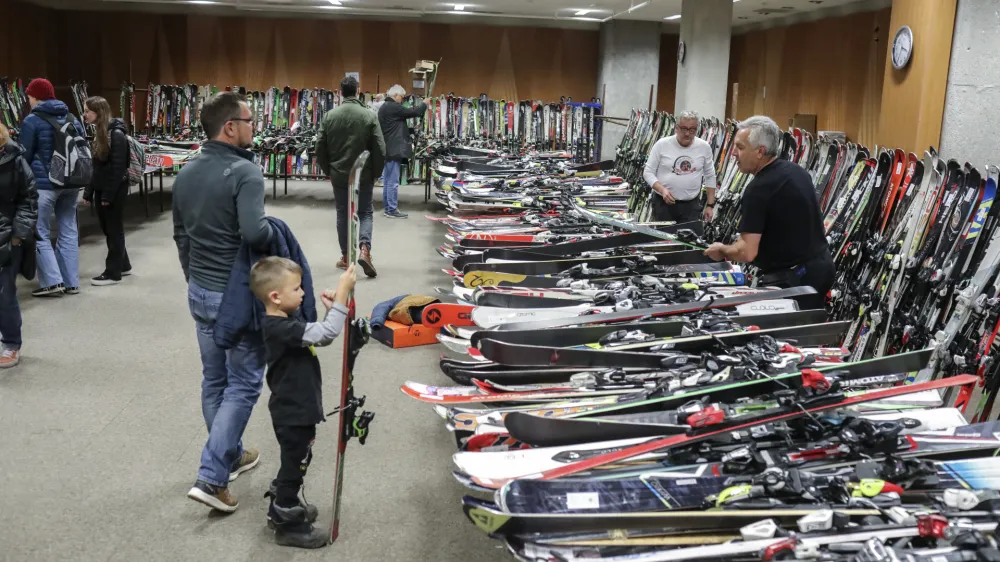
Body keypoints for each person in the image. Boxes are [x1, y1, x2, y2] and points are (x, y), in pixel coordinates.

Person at [173, 91, 273, 513]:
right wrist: (276, 232)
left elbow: (181, 237)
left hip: (199, 289)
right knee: (245, 383)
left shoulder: (186, 171)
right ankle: (212, 476)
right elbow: (255, 234)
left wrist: (194, 279)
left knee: (214, 379)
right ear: (230, 127)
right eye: (250, 121)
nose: (255, 128)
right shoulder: (246, 172)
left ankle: (230, 456)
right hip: (234, 295)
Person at [250, 257, 356, 548]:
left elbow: (320, 336)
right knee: (293, 466)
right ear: (275, 296)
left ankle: (285, 505)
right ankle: (287, 521)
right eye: (297, 288)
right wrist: (343, 295)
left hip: (297, 408)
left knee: (296, 461)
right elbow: (327, 333)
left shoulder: (285, 320)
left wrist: (330, 309)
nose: (303, 293)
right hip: (293, 412)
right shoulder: (279, 328)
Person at [704, 115, 834, 310]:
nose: (733, 154)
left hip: (794, 279)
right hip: (821, 266)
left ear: (760, 152)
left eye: (740, 147)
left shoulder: (758, 189)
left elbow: (747, 252)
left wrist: (721, 250)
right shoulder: (796, 171)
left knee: (782, 336)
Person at [19, 78, 86, 297]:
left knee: (40, 231)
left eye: (29, 96)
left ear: (36, 96)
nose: (28, 100)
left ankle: (52, 281)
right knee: (68, 230)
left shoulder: (32, 120)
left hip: (45, 184)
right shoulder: (71, 117)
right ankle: (71, 282)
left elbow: (24, 155)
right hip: (71, 183)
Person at [315, 75, 385, 278]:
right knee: (365, 213)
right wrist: (376, 173)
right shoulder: (369, 115)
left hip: (339, 175)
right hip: (363, 174)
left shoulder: (329, 116)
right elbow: (380, 148)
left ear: (339, 92)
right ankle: (365, 250)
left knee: (342, 213)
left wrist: (328, 170)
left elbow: (319, 147)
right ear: (358, 91)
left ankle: (346, 256)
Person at [642, 110, 717, 237]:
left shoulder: (704, 147)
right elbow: (648, 173)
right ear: (676, 128)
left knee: (687, 244)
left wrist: (710, 205)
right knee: (664, 242)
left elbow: (710, 176)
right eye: (683, 129)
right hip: (663, 204)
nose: (687, 133)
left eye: (692, 129)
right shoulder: (662, 144)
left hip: (691, 206)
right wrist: (662, 190)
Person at [0, 123, 38, 369]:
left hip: (6, 237)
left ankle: (11, 343)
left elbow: (29, 197)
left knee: (4, 295)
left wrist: (17, 234)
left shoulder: (14, 159)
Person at [82, 96, 132, 286]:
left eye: (88, 111)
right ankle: (123, 265)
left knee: (113, 230)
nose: (85, 114)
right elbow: (97, 168)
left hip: (113, 191)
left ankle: (113, 273)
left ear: (99, 112)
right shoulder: (100, 133)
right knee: (110, 229)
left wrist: (108, 196)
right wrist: (88, 192)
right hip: (103, 189)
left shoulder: (116, 135)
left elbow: (118, 169)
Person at [378, 85, 427, 219]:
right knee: (393, 181)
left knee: (388, 181)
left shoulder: (385, 107)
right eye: (401, 97)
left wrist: (411, 130)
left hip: (388, 148)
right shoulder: (393, 106)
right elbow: (414, 112)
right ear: (395, 96)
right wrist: (424, 104)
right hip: (394, 149)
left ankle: (388, 208)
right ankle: (391, 209)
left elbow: (396, 125)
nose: (402, 99)